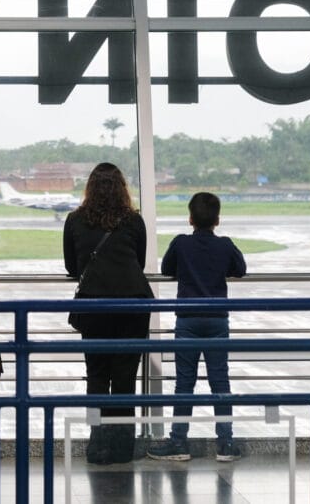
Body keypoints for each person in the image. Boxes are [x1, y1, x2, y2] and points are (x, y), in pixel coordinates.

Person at [63, 162, 153, 465]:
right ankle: (122, 446)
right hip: (132, 306)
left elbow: (72, 268)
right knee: (126, 378)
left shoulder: (75, 220)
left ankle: (97, 446)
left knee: (97, 376)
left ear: (90, 188)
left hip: (94, 307)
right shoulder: (133, 220)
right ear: (121, 189)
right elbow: (138, 262)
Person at [147, 191, 247, 463]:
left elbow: (168, 269)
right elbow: (240, 269)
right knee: (220, 381)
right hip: (217, 319)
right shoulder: (225, 245)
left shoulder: (181, 244)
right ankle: (225, 443)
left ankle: (179, 441)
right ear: (217, 220)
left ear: (190, 218)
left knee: (184, 383)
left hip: (188, 320)